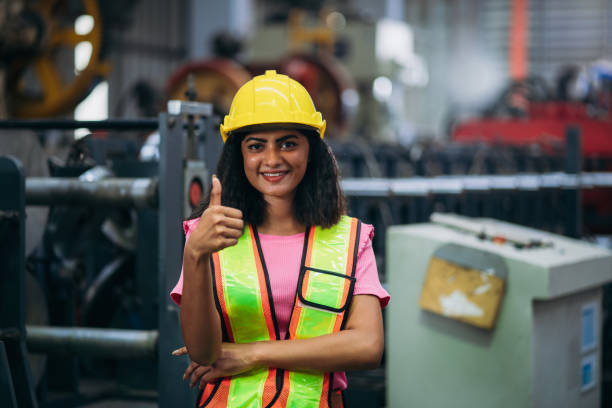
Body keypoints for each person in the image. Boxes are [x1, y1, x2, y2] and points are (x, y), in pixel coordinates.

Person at [170, 70, 389, 408]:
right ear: (239, 155)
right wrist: (195, 255)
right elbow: (203, 351)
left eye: (288, 143)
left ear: (310, 150)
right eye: (256, 146)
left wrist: (254, 353)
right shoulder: (208, 236)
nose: (272, 159)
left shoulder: (351, 239)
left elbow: (368, 347)